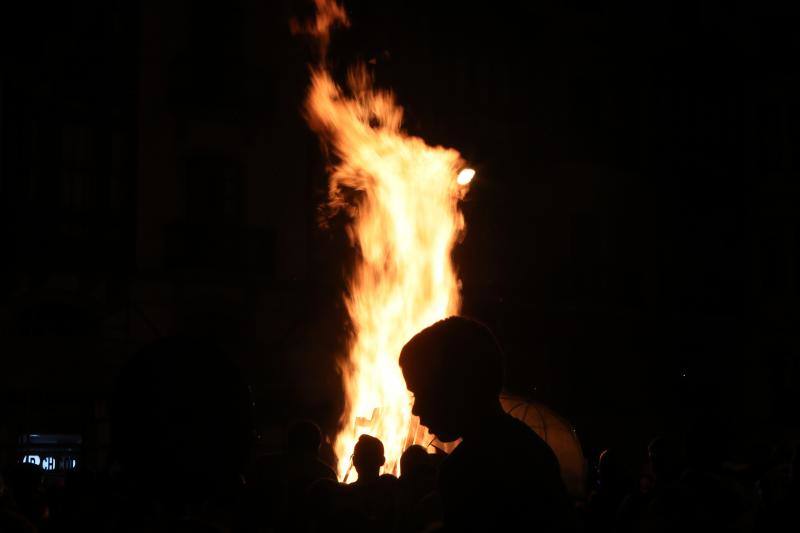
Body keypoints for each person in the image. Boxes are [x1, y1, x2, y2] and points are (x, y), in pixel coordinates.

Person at [399, 316, 574, 532]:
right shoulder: (535, 450)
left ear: (455, 388)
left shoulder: (463, 472)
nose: (416, 409)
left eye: (420, 393)